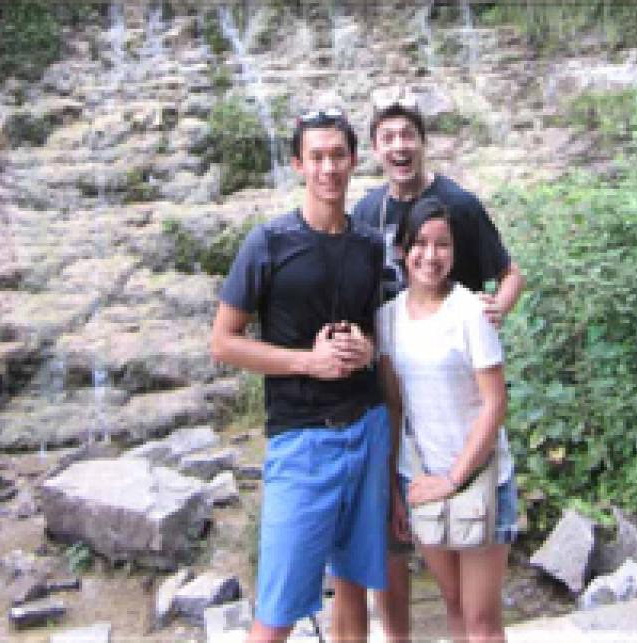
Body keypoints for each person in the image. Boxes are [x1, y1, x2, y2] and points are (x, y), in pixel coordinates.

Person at [345, 89, 524, 641]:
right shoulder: (368, 214)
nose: (399, 145)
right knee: (448, 602)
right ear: (374, 149)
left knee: (480, 617)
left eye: (408, 135)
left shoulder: (460, 208)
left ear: (423, 143)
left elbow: (510, 274)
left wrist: (495, 307)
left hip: (464, 399)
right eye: (388, 137)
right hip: (414, 446)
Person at [211, 108, 390, 643]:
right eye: (317, 157)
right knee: (278, 609)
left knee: (355, 586)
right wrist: (305, 362)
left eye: (338, 156)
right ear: (297, 165)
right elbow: (223, 343)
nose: (328, 168)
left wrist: (367, 350)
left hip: (367, 426)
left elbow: (378, 333)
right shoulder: (267, 243)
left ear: (354, 162)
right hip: (301, 439)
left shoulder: (368, 244)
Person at [378, 196, 513, 642]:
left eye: (443, 245)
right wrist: (396, 492)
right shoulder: (388, 319)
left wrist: (454, 478)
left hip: (478, 477)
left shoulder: (471, 312)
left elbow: (495, 404)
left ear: (454, 253)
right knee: (453, 604)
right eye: (420, 244)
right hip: (420, 479)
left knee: (481, 620)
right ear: (402, 250)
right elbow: (396, 407)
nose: (431, 256)